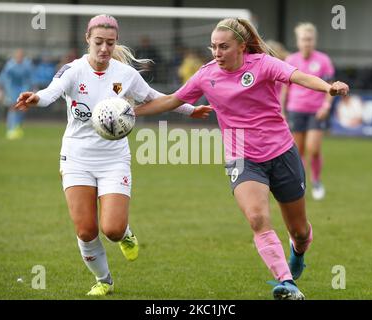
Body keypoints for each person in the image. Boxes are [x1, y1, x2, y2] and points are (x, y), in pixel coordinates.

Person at [134, 18, 349, 300]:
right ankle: (287, 283)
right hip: (241, 156)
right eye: (213, 47)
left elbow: (298, 76)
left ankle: (298, 250)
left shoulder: (262, 64)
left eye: (223, 47)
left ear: (242, 47)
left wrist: (327, 88)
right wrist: (130, 112)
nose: (216, 52)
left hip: (282, 152)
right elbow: (173, 99)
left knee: (299, 230)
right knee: (258, 218)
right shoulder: (205, 74)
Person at [15, 15, 211, 296]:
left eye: (110, 43)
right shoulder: (72, 70)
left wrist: (191, 110)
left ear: (115, 42)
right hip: (77, 157)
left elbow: (155, 97)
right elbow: (51, 92)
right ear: (87, 40)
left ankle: (125, 234)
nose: (104, 48)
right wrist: (36, 98)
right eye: (98, 43)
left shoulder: (125, 75)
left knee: (113, 229)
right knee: (85, 230)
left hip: (113, 159)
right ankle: (104, 281)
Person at [282, 23, 335, 200]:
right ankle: (301, 182)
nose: (307, 43)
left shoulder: (323, 60)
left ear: (315, 41)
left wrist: (326, 106)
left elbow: (330, 87)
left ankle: (317, 180)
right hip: (296, 110)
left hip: (316, 112)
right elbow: (284, 90)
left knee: (314, 149)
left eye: (310, 39)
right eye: (304, 39)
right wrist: (281, 110)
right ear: (298, 41)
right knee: (299, 151)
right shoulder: (291, 60)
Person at [0, 48, 34, 139]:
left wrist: (32, 88)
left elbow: (30, 77)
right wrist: (0, 89)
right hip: (11, 88)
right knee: (13, 107)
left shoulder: (27, 65)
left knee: (22, 107)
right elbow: (4, 77)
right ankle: (11, 128)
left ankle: (17, 126)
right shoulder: (10, 65)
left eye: (21, 56)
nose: (19, 58)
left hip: (23, 88)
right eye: (18, 56)